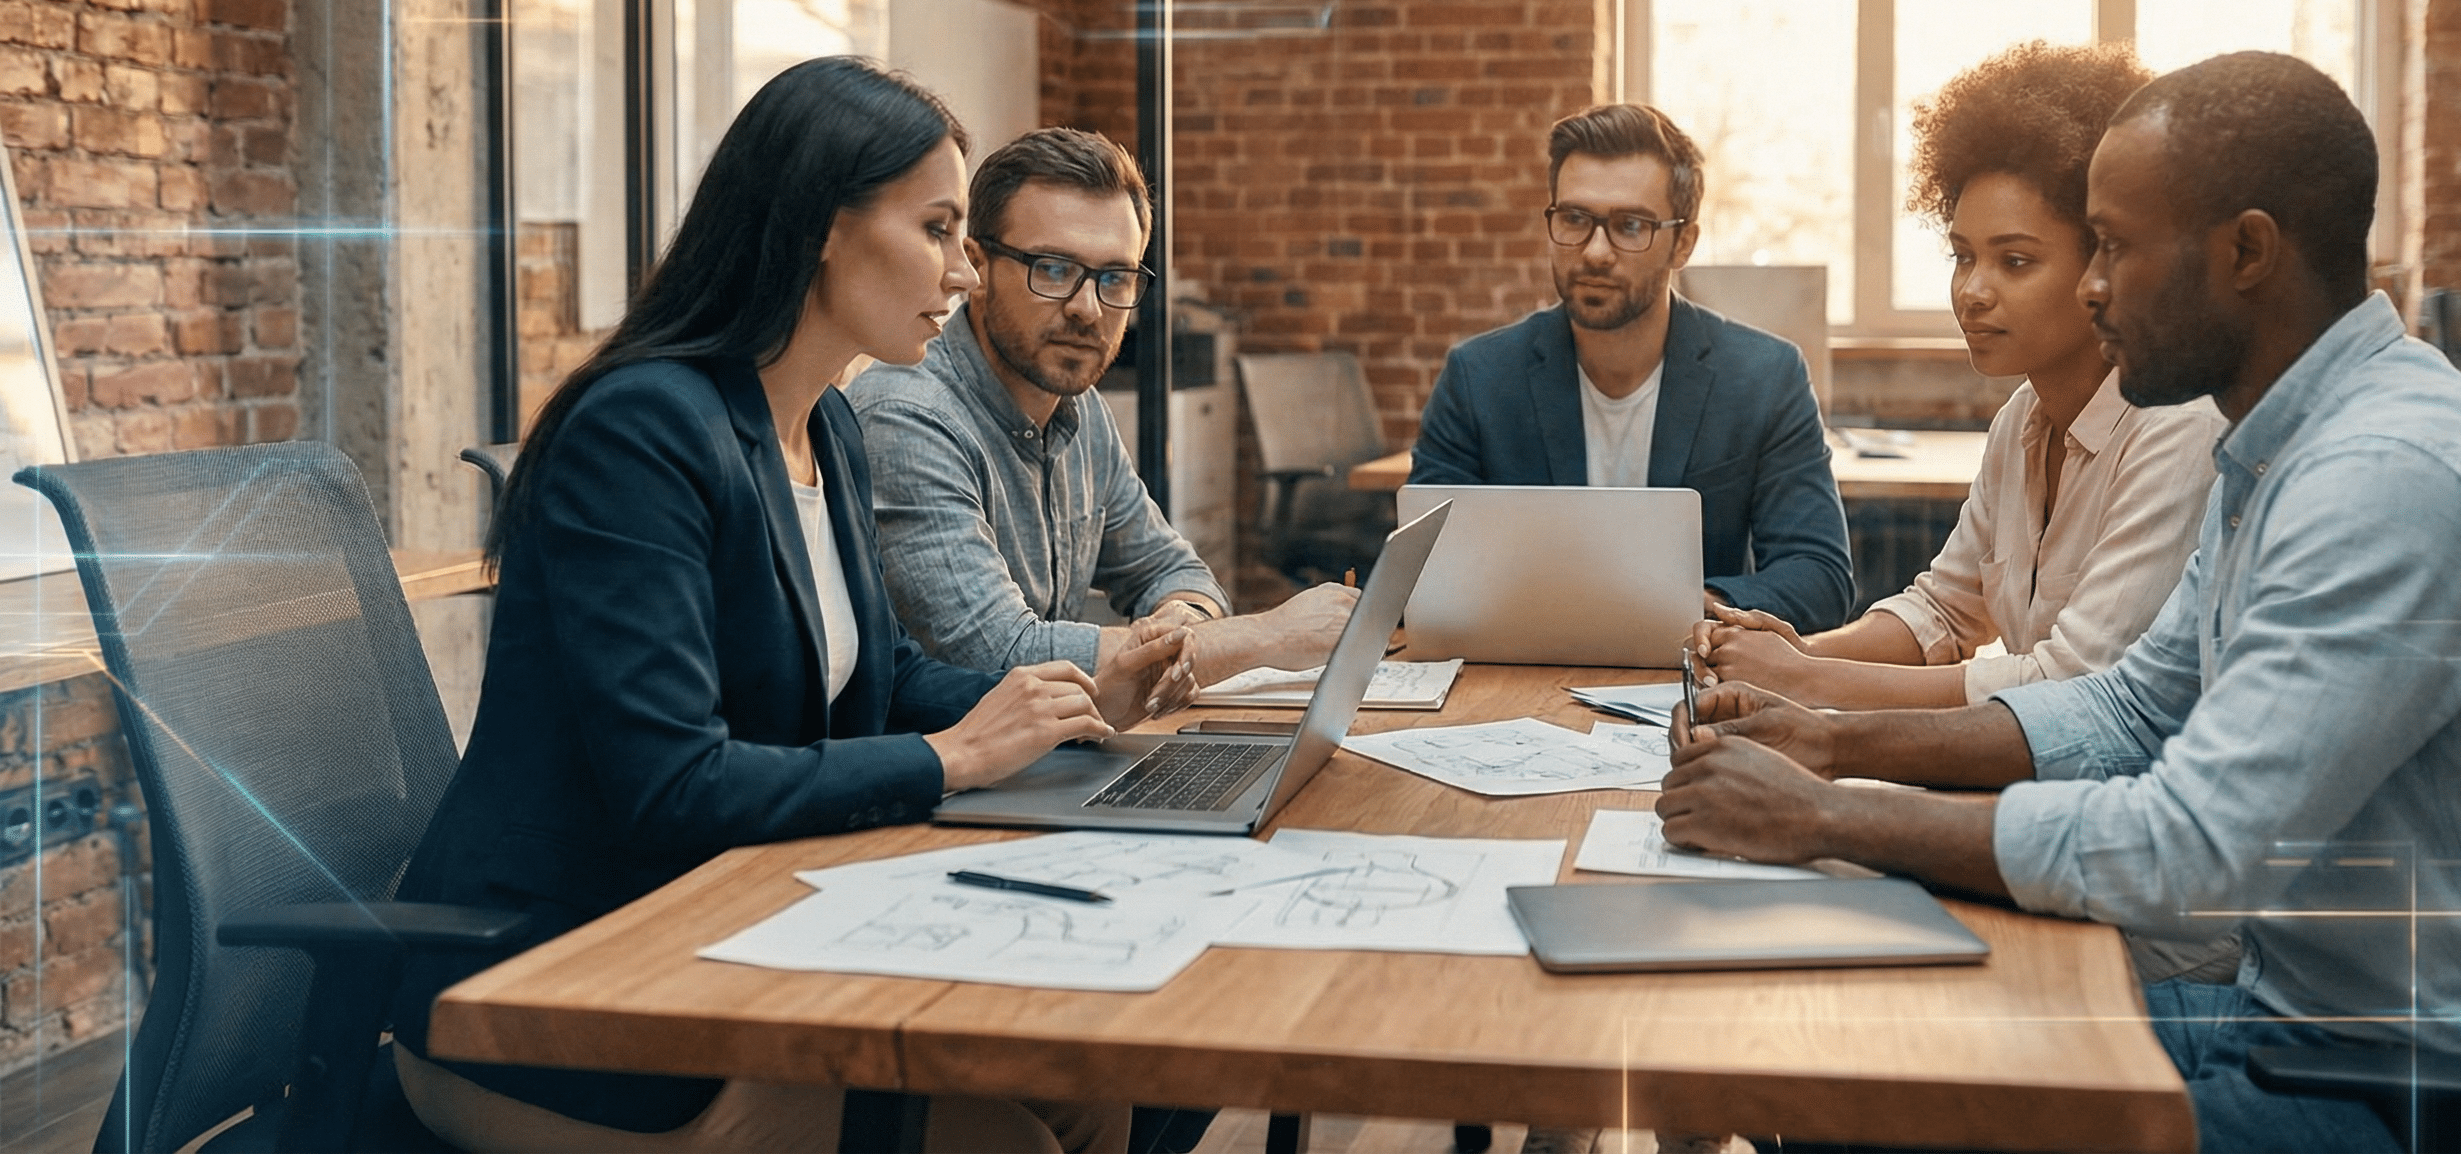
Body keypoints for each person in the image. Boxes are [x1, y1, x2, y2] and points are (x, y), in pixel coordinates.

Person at [1657, 52, 2461, 1154]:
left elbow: (2185, 846)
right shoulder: (2278, 445)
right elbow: (2127, 712)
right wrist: (1822, 736)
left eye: (2119, 248)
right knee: (1832, 1050)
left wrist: (1825, 810)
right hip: (2301, 1026)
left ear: (2245, 251)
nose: (2094, 288)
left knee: (1851, 1098)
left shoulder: (2384, 473)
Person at [389, 59, 1186, 1154]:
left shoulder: (826, 429)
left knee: (1092, 1088)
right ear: (821, 224)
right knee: (1011, 1137)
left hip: (728, 919)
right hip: (562, 981)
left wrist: (1074, 700)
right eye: (939, 228)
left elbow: (881, 678)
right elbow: (673, 783)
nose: (962, 272)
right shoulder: (641, 433)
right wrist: (953, 758)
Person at [1698, 41, 2224, 711]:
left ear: (2108, 263)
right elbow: (1943, 609)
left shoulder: (2177, 425)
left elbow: (2074, 685)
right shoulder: (2024, 418)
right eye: (1962, 256)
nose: (1972, 291)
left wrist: (1806, 680)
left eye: (2015, 261)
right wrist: (1800, 650)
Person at [851, 127, 1353, 693]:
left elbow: (1173, 571)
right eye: (1054, 269)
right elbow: (998, 656)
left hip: (1055, 751)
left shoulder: (1077, 407)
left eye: (1115, 278)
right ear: (979, 266)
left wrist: (1183, 628)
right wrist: (1260, 638)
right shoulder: (908, 415)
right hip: (956, 773)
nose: (1088, 310)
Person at [1407, 103, 1853, 630]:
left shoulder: (1764, 377)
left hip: (1688, 673)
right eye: (1574, 219)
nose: (1596, 252)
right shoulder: (1479, 378)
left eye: (1630, 225)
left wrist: (1686, 608)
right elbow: (1421, 573)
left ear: (1683, 242)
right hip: (1521, 671)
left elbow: (1820, 574)